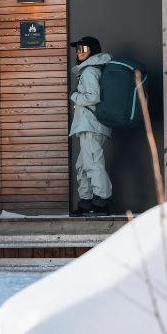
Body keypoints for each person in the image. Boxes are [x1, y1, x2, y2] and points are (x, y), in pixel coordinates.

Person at [69, 36, 113, 215]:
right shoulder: (89, 70)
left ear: (92, 50)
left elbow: (92, 97)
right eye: (78, 49)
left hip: (91, 125)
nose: (79, 52)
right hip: (88, 125)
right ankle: (86, 202)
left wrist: (74, 96)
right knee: (83, 165)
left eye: (84, 49)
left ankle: (101, 202)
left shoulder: (89, 71)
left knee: (93, 163)